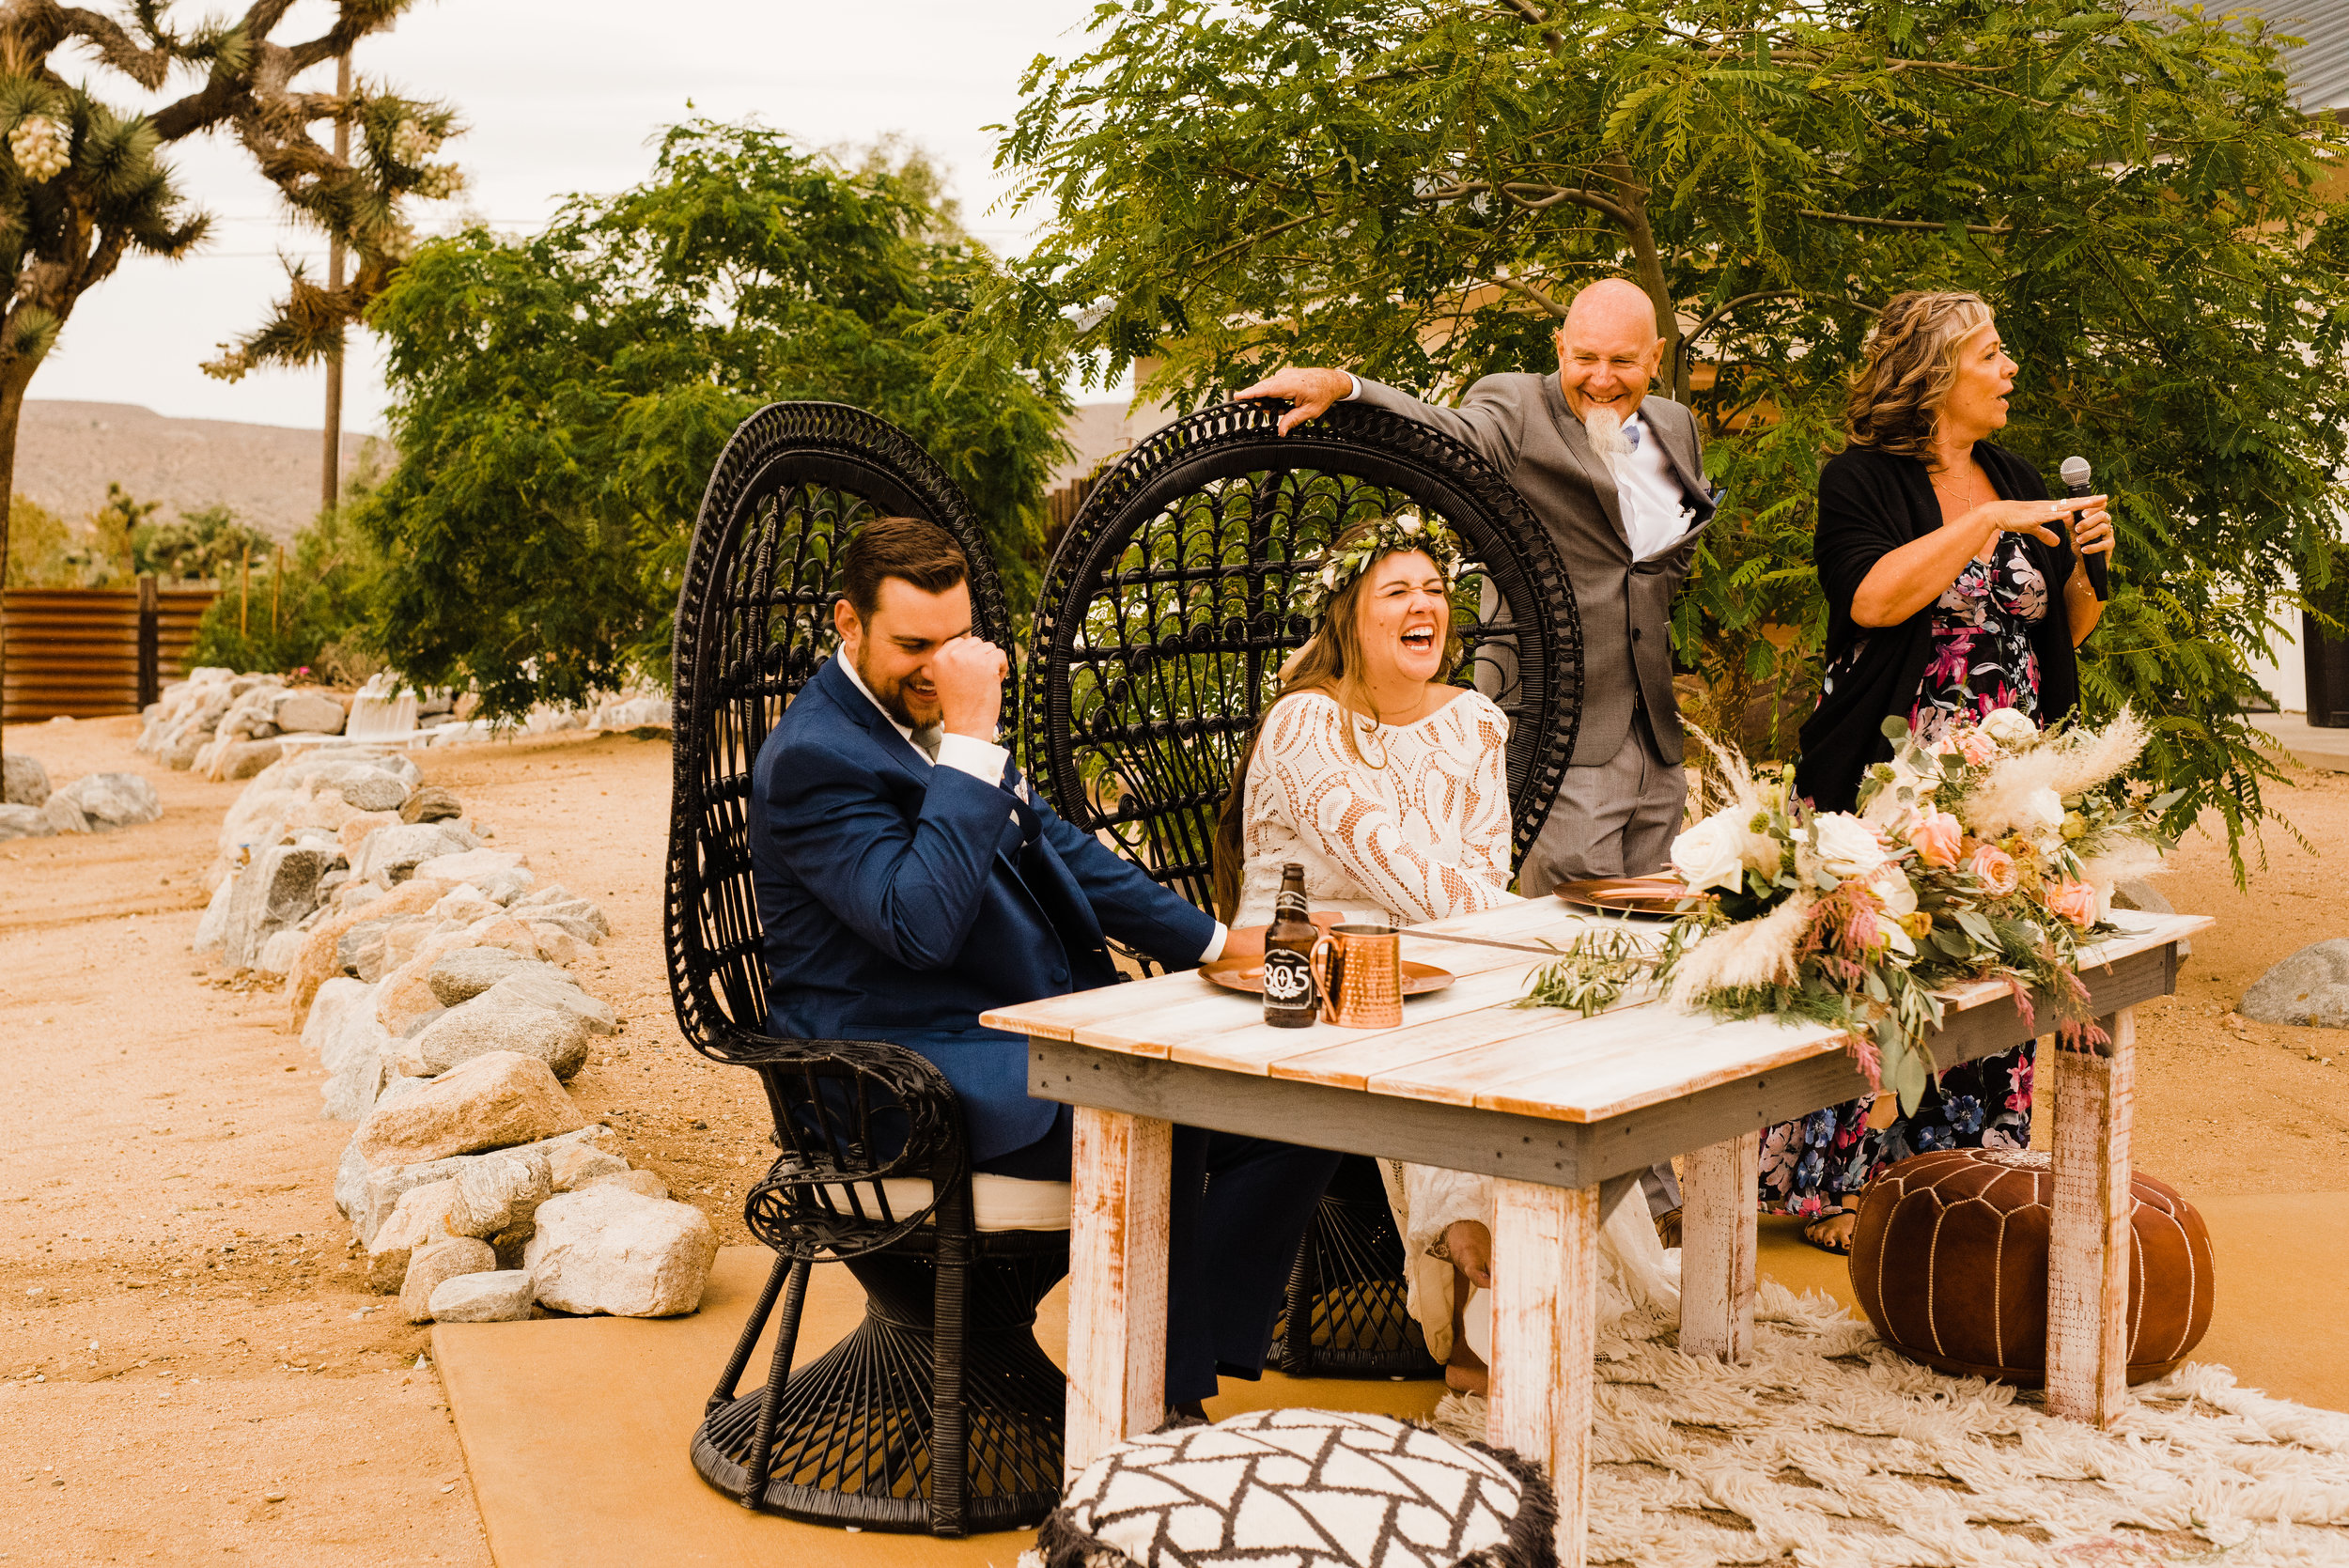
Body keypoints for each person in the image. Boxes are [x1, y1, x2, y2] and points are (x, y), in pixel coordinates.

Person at [751, 515, 1343, 1416]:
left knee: (1300, 1101)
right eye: (914, 645)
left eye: (956, 644)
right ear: (847, 623)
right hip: (891, 1074)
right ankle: (1154, 1406)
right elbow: (920, 927)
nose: (939, 668)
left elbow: (1056, 842)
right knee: (1163, 1107)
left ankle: (1182, 1352)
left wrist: (1221, 945)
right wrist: (974, 740)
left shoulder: (926, 725)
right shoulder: (815, 760)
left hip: (1002, 1031)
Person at [1237, 275, 1709, 1236]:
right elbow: (1436, 433)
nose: (1601, 379)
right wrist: (1348, 385)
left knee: (1657, 962)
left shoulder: (1672, 424)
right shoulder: (1514, 407)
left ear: (1653, 359)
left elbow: (1660, 559)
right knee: (1568, 951)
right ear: (1559, 346)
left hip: (1653, 730)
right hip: (1556, 723)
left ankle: (1645, 1184)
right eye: (1584, 357)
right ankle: (1599, 1189)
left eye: (1622, 361)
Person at [1213, 514, 1675, 1397]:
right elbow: (1405, 868)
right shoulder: (1306, 723)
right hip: (1304, 977)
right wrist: (1553, 933)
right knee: (1469, 1023)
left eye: (1434, 589)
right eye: (1398, 591)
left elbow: (1475, 876)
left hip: (1444, 957)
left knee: (1594, 1035)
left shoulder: (1475, 722)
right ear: (1348, 615)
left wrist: (1519, 937)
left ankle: (1490, 1264)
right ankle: (1478, 1276)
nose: (1425, 605)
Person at [1781, 290, 2116, 1251]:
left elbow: (2055, 632)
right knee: (1866, 963)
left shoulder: (2011, 473)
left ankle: (1957, 1172)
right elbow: (1874, 598)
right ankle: (1832, 1185)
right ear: (1934, 374)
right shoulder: (1860, 480)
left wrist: (2086, 570)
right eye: (1991, 354)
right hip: (1887, 762)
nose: (2009, 369)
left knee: (1986, 962)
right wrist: (1989, 523)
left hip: (2000, 771)